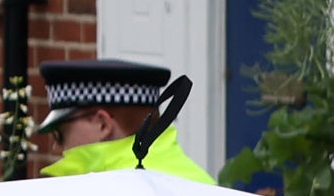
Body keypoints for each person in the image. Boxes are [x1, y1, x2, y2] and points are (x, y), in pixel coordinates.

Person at [32, 59, 206, 179]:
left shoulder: (104, 194)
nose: (55, 147)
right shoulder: (197, 181)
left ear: (102, 124)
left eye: (59, 134)